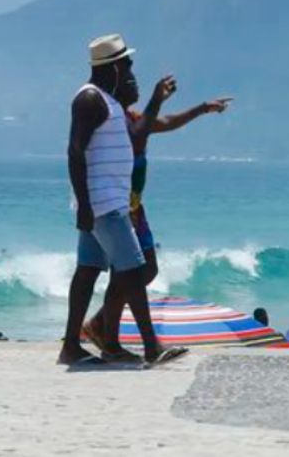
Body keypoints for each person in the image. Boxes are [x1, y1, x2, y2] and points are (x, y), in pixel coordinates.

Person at [82, 62, 232, 356]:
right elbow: (139, 134)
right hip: (118, 205)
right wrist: (155, 99)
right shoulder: (117, 122)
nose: (135, 84)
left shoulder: (131, 116)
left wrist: (202, 108)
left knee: (138, 271)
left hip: (135, 207)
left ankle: (103, 329)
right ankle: (110, 336)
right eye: (130, 80)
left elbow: (164, 122)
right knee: (135, 270)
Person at [58, 34, 184, 367]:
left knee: (88, 271)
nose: (129, 68)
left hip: (105, 201)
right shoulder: (89, 100)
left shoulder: (108, 103)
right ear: (112, 67)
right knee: (134, 269)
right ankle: (151, 347)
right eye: (125, 63)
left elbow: (137, 134)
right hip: (103, 204)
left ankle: (71, 346)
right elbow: (74, 151)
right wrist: (84, 205)